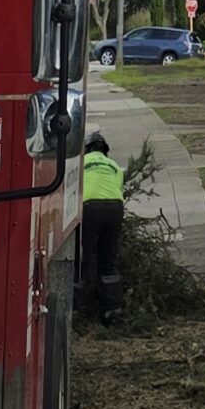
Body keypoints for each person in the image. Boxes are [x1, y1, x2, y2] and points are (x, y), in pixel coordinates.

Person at [79, 129, 126, 322]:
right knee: (109, 260)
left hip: (90, 207)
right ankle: (111, 310)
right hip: (115, 207)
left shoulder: (82, 164)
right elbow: (118, 189)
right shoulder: (114, 166)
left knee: (81, 259)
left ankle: (76, 310)